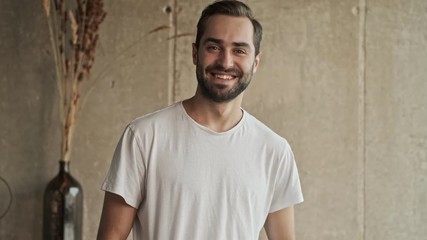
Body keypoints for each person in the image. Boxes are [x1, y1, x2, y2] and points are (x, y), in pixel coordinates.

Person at [97, 0, 303, 239]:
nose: (226, 62)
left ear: (255, 62)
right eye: (214, 47)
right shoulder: (144, 137)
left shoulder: (275, 151)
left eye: (239, 50)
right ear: (195, 53)